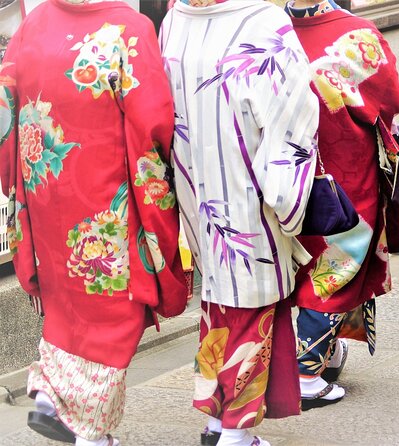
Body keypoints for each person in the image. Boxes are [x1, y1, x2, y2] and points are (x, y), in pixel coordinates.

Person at [0, 0, 188, 445]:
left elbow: (6, 117)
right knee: (114, 314)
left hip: (46, 198)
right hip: (106, 205)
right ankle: (87, 429)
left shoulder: (34, 25)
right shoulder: (129, 30)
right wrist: (163, 188)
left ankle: (51, 393)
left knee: (65, 304)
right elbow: (153, 125)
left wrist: (18, 182)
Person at [160, 1, 319, 445]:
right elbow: (293, 119)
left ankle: (215, 422)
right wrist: (287, 201)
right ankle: (236, 435)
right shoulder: (263, 22)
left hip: (198, 195)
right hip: (249, 198)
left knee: (217, 308)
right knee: (252, 317)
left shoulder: (175, 19)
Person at [283, 0, 399, 408]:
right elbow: (390, 98)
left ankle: (323, 351)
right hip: (344, 169)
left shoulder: (269, 32)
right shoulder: (357, 36)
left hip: (283, 171)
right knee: (336, 263)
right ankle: (305, 370)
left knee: (297, 261)